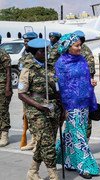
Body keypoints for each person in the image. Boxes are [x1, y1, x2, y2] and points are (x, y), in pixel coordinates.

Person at [54, 33, 100, 179]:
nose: (80, 48)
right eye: (76, 45)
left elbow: (85, 79)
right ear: (68, 47)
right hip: (71, 106)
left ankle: (68, 161)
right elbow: (61, 88)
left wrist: (91, 83)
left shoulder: (82, 60)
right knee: (79, 136)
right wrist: (64, 109)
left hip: (84, 103)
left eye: (80, 45)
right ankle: (85, 166)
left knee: (70, 134)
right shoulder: (61, 64)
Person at [18, 38, 61, 179]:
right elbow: (22, 94)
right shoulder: (27, 69)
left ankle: (32, 171)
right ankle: (53, 174)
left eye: (46, 50)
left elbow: (57, 89)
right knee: (47, 142)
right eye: (42, 51)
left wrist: (63, 106)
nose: (45, 53)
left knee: (45, 141)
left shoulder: (50, 67)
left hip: (52, 107)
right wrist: (39, 106)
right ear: (34, 52)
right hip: (35, 110)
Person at [73, 30, 97, 140]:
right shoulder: (70, 51)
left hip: (84, 88)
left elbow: (91, 72)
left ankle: (85, 140)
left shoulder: (86, 51)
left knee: (86, 115)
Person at [18, 32, 39, 151]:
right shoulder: (24, 56)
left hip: (35, 92)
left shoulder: (38, 55)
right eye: (24, 41)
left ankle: (38, 142)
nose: (25, 43)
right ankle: (33, 139)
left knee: (37, 118)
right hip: (25, 92)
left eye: (27, 41)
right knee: (28, 117)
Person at [0, 48, 12, 147]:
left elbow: (8, 71)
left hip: (2, 86)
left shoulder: (2, 53)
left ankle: (4, 134)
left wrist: (8, 88)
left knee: (2, 110)